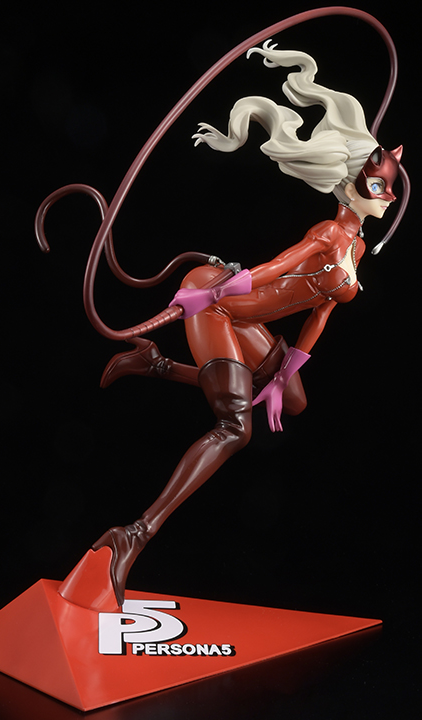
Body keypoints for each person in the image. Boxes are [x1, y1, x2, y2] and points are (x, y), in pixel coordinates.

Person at [90, 44, 403, 606]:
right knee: (236, 426)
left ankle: (154, 364)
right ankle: (131, 536)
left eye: (391, 187)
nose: (389, 196)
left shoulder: (356, 248)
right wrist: (209, 293)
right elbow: (273, 269)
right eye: (380, 185)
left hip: (241, 314)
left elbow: (321, 314)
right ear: (351, 182)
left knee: (293, 399)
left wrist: (284, 374)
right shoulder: (328, 234)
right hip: (219, 304)